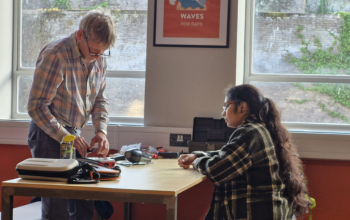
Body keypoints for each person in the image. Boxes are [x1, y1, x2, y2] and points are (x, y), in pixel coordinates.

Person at [27, 9, 116, 220]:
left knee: (84, 201)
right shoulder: (55, 55)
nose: (97, 58)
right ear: (79, 35)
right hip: (48, 134)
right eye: (94, 52)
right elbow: (37, 106)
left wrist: (101, 131)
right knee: (57, 206)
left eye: (102, 53)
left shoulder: (99, 59)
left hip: (74, 134)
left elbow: (100, 99)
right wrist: (67, 137)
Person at [178, 84, 310, 220]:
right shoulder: (262, 128)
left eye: (226, 106)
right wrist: (197, 155)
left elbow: (217, 169)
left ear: (242, 107)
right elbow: (227, 155)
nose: (223, 112)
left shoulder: (249, 133)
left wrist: (196, 161)